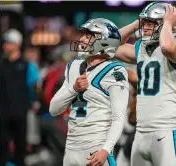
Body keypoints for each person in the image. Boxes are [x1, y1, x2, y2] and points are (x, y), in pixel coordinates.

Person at [115, 2, 176, 166]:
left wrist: (167, 22)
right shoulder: (143, 48)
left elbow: (167, 47)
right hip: (140, 132)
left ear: (163, 24)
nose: (144, 28)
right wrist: (135, 23)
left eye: (150, 23)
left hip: (165, 132)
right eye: (144, 23)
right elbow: (109, 46)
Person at [49, 18, 129, 166]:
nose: (81, 39)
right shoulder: (73, 66)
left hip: (96, 147)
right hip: (71, 148)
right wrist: (74, 89)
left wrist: (105, 150)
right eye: (83, 35)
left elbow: (119, 118)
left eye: (88, 36)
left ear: (104, 41)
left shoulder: (115, 71)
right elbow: (53, 109)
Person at [0, 29, 39, 166]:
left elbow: (34, 90)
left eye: (9, 42)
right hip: (2, 114)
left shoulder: (28, 66)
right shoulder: (0, 65)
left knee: (20, 149)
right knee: (1, 149)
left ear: (17, 44)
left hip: (20, 114)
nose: (6, 46)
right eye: (5, 43)